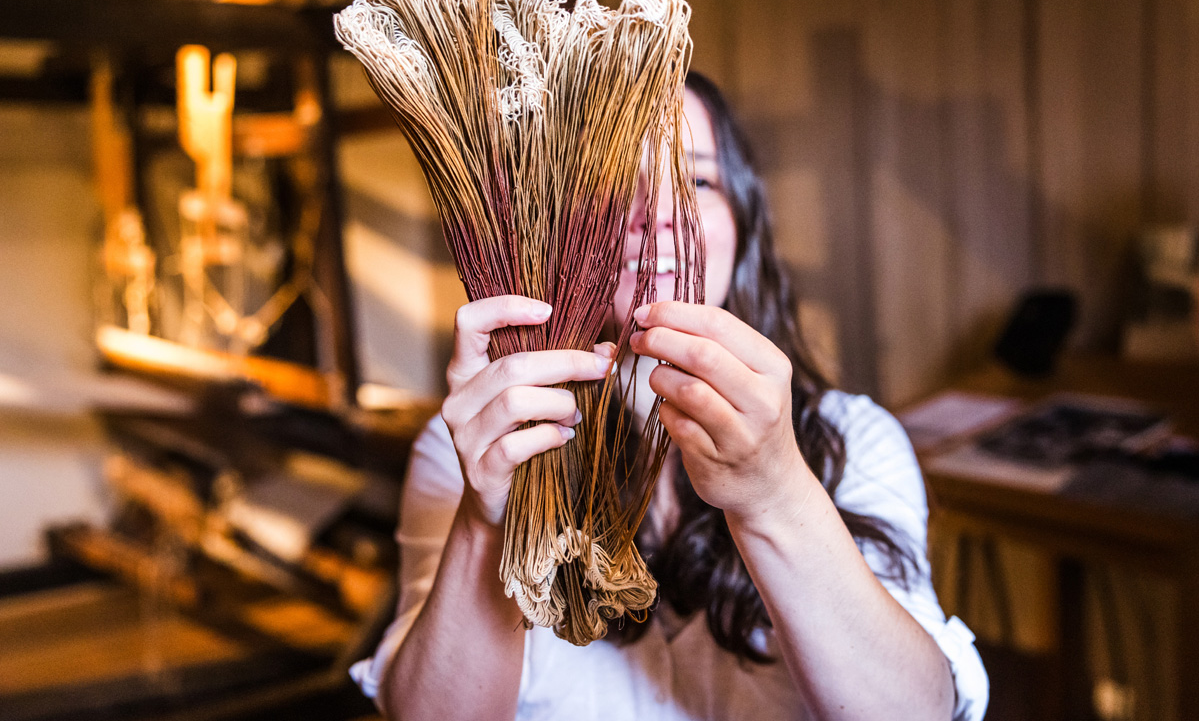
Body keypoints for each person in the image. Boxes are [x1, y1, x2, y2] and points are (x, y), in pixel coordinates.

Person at [350, 72, 989, 720]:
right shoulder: (467, 447)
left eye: (697, 181)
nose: (656, 212)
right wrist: (485, 518)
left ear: (742, 224)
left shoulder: (852, 441)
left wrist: (774, 493)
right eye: (609, 186)